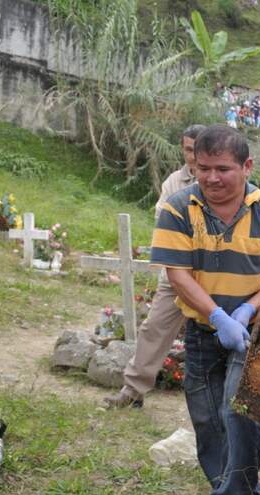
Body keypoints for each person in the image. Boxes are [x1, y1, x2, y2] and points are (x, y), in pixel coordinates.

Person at [150, 125, 260, 495]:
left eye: (223, 169)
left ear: (246, 166)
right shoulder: (178, 209)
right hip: (202, 329)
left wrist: (248, 310)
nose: (212, 178)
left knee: (240, 410)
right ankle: (239, 489)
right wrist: (217, 317)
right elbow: (178, 274)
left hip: (253, 331)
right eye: (203, 168)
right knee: (206, 416)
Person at [103, 124, 206, 409]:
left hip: (215, 274)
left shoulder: (220, 179)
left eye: (198, 149)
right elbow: (165, 221)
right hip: (177, 271)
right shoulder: (174, 182)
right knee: (154, 328)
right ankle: (133, 392)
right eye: (188, 150)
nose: (193, 156)